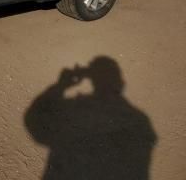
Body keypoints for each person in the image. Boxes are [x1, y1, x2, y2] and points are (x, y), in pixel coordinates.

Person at [24, 56, 156, 180]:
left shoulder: (77, 112)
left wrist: (61, 85)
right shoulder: (137, 120)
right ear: (120, 83)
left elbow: (36, 122)